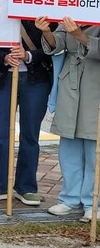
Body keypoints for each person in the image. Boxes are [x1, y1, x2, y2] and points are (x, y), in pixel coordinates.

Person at [0, 19, 53, 206]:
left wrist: (29, 55)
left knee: (30, 134)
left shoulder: (42, 7)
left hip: (36, 80)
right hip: (2, 78)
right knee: (1, 134)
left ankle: (26, 187)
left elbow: (54, 45)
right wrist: (4, 58)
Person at [38, 15, 100, 223]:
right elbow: (58, 44)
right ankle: (71, 198)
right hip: (70, 79)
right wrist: (46, 31)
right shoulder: (73, 9)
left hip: (95, 81)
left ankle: (94, 202)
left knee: (94, 143)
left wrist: (80, 36)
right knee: (69, 140)